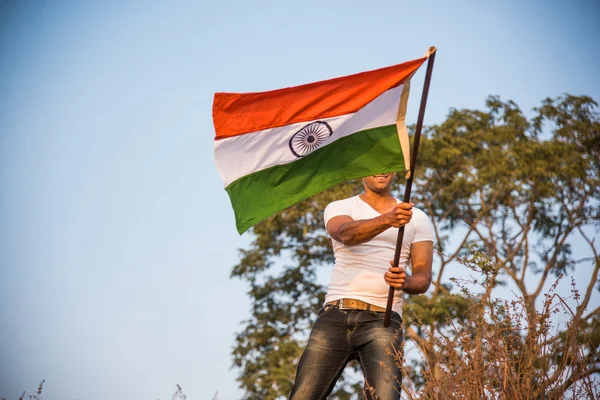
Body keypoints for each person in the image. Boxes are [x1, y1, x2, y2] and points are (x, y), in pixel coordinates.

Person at [289, 172, 434, 400]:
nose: (381, 171)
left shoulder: (417, 218)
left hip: (384, 320)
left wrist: (405, 281)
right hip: (335, 316)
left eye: (387, 165)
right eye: (375, 165)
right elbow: (345, 233)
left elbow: (423, 277)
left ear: (395, 172)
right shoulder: (340, 207)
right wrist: (389, 219)